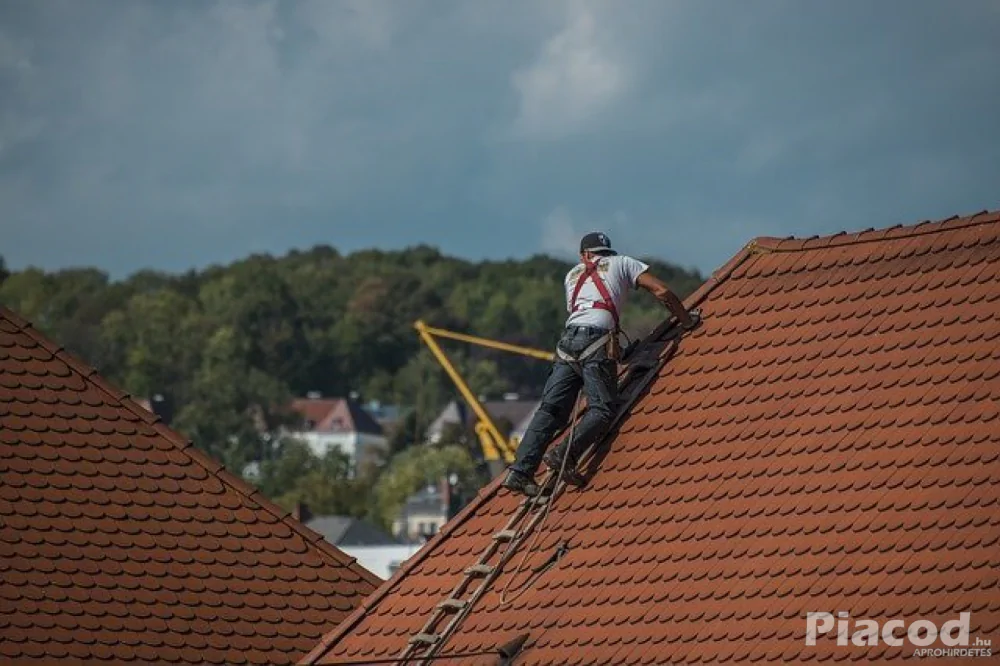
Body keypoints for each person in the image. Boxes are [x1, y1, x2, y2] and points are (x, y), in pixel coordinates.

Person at [501, 231, 700, 497]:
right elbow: (661, 291)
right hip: (596, 341)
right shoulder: (623, 262)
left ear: (584, 255)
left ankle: (519, 471)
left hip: (567, 344)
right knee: (603, 409)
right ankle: (564, 454)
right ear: (607, 252)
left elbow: (585, 312)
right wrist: (687, 320)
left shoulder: (572, 275)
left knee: (550, 410)